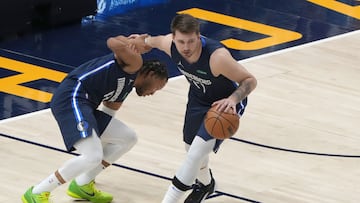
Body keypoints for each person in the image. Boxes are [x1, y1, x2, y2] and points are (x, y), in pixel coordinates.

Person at [21, 35, 168, 203]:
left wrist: (98, 147)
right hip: (71, 97)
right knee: (92, 156)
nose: (153, 92)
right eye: (157, 86)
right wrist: (133, 43)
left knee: (127, 138)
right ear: (149, 73)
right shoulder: (135, 64)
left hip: (85, 106)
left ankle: (82, 184)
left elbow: (108, 115)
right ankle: (37, 192)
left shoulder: (125, 89)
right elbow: (112, 42)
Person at [132, 13, 257, 203]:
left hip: (224, 105)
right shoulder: (168, 44)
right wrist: (140, 41)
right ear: (173, 38)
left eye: (191, 41)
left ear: (199, 36)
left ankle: (170, 199)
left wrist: (233, 99)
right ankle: (206, 184)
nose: (186, 47)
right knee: (190, 147)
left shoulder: (217, 58)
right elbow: (151, 41)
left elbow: (250, 80)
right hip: (199, 98)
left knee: (195, 154)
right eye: (181, 42)